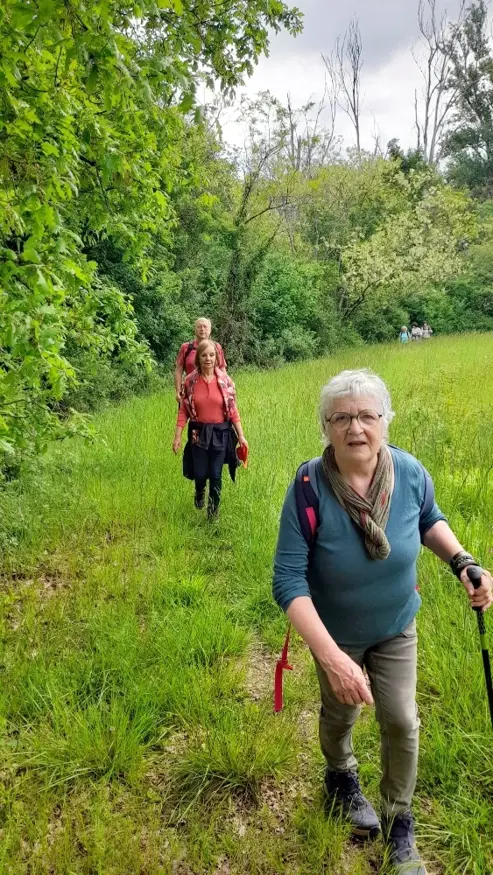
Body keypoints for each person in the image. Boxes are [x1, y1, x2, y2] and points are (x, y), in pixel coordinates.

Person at [273, 369, 492, 875]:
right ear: (326, 427)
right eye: (342, 418)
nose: (356, 428)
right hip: (336, 635)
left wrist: (462, 561)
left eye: (367, 416)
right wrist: (332, 659)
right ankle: (340, 775)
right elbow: (287, 581)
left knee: (401, 719)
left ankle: (398, 822)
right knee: (340, 714)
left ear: (385, 421)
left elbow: (429, 519)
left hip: (396, 625)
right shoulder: (308, 488)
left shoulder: (409, 472)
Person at [172, 339, 248, 520]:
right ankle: (199, 490)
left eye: (212, 355)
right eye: (204, 355)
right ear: (198, 358)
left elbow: (233, 410)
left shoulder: (225, 381)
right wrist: (177, 436)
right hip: (197, 433)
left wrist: (241, 436)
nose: (208, 359)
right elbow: (183, 410)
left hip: (220, 434)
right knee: (200, 473)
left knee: (215, 474)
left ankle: (213, 514)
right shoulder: (189, 381)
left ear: (217, 358)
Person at [174, 318, 227, 403]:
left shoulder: (217, 347)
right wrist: (178, 391)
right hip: (191, 391)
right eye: (199, 327)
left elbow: (222, 369)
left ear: (210, 330)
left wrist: (226, 389)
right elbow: (178, 371)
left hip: (214, 391)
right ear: (195, 330)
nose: (202, 329)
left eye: (205, 326)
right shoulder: (186, 348)